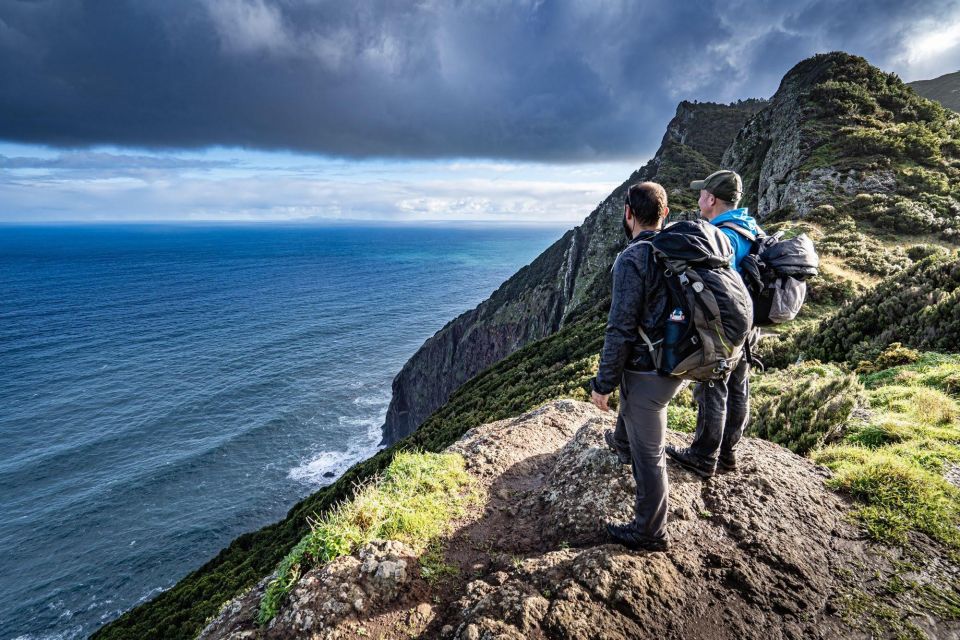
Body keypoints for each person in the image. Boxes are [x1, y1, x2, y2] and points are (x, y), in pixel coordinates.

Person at [590, 181, 680, 552]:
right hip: (677, 357)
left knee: (651, 455)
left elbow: (621, 329)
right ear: (665, 214)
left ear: (628, 214)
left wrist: (603, 383)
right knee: (637, 413)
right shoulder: (675, 249)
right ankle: (623, 441)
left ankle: (649, 532)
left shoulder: (633, 259)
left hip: (650, 370)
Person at [665, 170, 762, 478]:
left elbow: (716, 285)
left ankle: (704, 456)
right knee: (738, 386)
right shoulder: (749, 227)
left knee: (713, 386)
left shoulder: (721, 236)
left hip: (725, 325)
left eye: (701, 194)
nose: (698, 199)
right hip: (750, 322)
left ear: (711, 199)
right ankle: (729, 454)